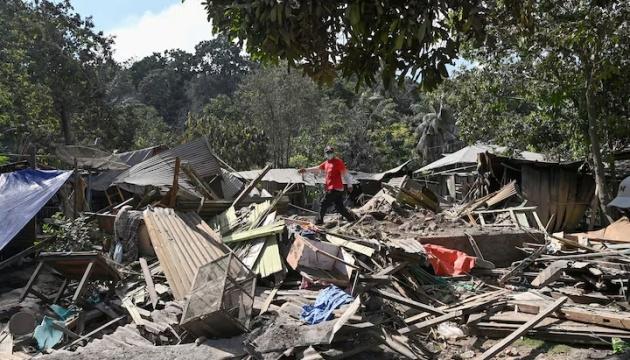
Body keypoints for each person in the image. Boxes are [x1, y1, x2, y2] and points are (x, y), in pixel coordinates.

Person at [299, 146, 356, 225]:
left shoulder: (338, 162)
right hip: (333, 189)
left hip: (335, 188)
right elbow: (317, 168)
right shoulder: (326, 163)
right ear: (325, 154)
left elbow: (345, 174)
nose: (329, 154)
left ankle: (319, 221)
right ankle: (351, 219)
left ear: (333, 153)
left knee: (323, 203)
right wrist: (306, 170)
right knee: (339, 207)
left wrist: (350, 185)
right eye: (328, 152)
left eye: (331, 152)